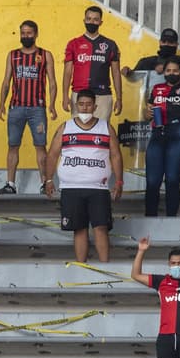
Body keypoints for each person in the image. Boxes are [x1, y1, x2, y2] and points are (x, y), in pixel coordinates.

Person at [45, 89, 123, 264]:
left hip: (99, 188)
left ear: (95, 107)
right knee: (79, 229)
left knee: (101, 228)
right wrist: (48, 180)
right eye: (81, 104)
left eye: (88, 104)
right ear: (76, 106)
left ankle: (105, 268)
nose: (85, 108)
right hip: (71, 187)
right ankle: (82, 268)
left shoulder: (106, 127)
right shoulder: (65, 127)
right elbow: (52, 155)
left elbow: (116, 156)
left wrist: (119, 181)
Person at [0, 21, 57, 194]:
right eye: (23, 33)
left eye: (29, 33)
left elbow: (52, 82)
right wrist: (1, 103)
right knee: (13, 146)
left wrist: (52, 104)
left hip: (37, 109)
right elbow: (6, 82)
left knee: (40, 146)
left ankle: (45, 183)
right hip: (16, 108)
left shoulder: (45, 55)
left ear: (36, 34)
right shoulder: (13, 55)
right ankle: (10, 184)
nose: (26, 36)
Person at [144, 56, 180, 217]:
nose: (171, 73)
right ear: (164, 72)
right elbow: (147, 114)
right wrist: (147, 113)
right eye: (168, 70)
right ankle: (150, 218)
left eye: (175, 71)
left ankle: (171, 219)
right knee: (152, 181)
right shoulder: (157, 88)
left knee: (172, 179)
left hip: (179, 132)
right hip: (158, 132)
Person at [61, 6, 122, 120]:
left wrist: (119, 98)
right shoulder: (73, 44)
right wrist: (65, 96)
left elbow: (116, 73)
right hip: (79, 95)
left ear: (101, 22)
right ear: (84, 20)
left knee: (101, 129)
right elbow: (67, 72)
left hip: (103, 95)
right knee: (79, 129)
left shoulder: (110, 44)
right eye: (89, 19)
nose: (92, 22)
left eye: (95, 19)